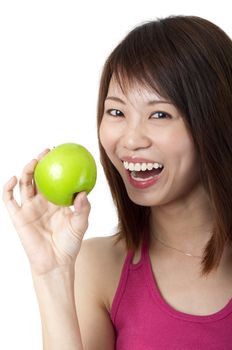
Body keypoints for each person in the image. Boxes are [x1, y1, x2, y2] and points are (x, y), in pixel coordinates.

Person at [3, 15, 232, 349]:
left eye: (160, 114)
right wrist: (50, 273)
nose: (130, 139)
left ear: (216, 120)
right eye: (116, 112)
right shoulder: (99, 267)